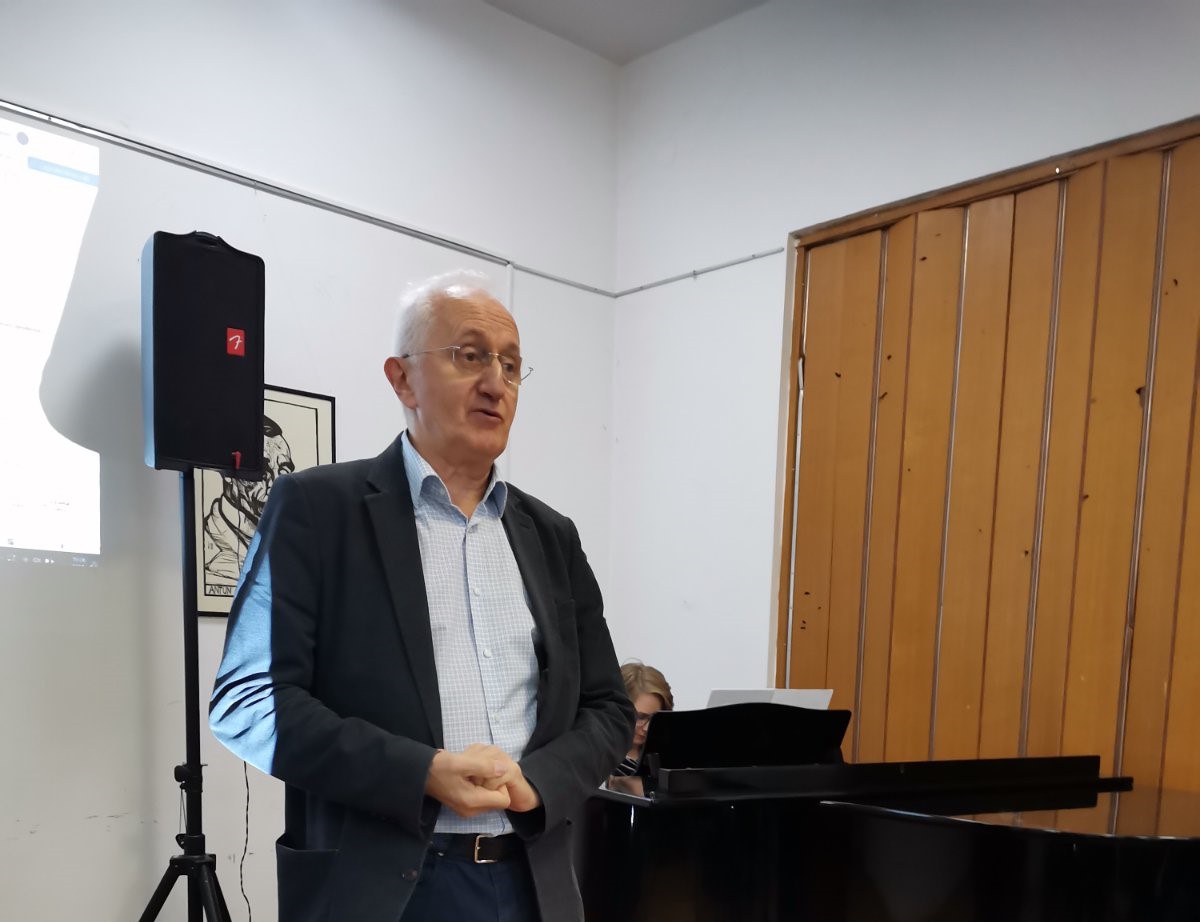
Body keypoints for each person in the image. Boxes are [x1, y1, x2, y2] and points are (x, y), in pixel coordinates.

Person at [209, 270, 634, 922]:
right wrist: (420, 772)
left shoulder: (553, 536)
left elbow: (607, 707)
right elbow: (248, 702)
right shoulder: (317, 511)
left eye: (511, 365)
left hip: (533, 882)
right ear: (402, 379)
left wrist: (538, 782)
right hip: (381, 889)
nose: (496, 382)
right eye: (470, 355)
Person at [201, 415, 294, 585]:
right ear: (228, 474)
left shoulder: (292, 551)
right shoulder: (208, 549)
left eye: (283, 472)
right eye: (262, 471)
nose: (274, 484)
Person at [607, 662, 673, 796]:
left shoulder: (661, 756)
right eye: (640, 717)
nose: (647, 728)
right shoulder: (596, 755)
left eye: (654, 718)